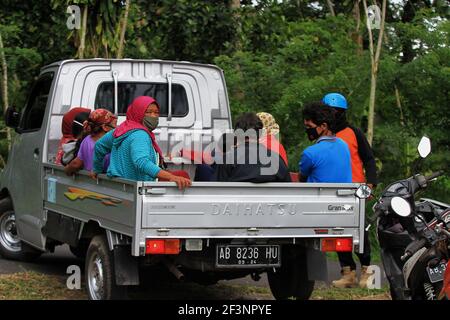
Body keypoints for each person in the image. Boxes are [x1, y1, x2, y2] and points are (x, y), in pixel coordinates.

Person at [322, 92, 378, 289]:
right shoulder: (323, 134)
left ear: (343, 113)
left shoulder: (354, 132)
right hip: (332, 192)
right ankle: (347, 273)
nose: (333, 115)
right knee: (338, 233)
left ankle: (367, 272)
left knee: (360, 232)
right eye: (329, 111)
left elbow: (369, 159)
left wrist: (370, 184)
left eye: (337, 112)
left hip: (355, 191)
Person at [92, 96, 191, 190]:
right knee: (182, 175)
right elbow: (142, 162)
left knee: (181, 174)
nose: (153, 116)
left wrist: (97, 169)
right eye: (148, 112)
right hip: (138, 190)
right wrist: (170, 177)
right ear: (137, 112)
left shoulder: (121, 129)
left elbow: (99, 146)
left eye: (156, 112)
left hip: (119, 185)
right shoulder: (140, 135)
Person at [213, 112, 291, 183]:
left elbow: (216, 191)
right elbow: (289, 190)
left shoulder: (227, 159)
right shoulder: (276, 159)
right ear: (260, 134)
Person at [299, 102, 351, 183]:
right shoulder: (344, 145)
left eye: (309, 126)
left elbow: (302, 178)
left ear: (323, 126)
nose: (307, 130)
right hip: (344, 194)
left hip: (318, 195)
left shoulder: (310, 153)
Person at [64, 109, 117, 175]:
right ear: (105, 127)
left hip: (89, 181)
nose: (116, 127)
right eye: (114, 124)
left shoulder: (87, 139)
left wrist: (67, 169)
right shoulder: (112, 142)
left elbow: (76, 164)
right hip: (106, 182)